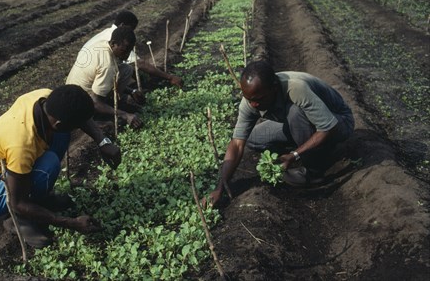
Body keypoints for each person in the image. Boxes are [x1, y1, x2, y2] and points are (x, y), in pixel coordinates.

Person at [0, 84, 121, 247]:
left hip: (14, 168)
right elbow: (17, 201)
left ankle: (40, 199)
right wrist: (71, 223)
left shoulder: (46, 98)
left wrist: (103, 141)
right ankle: (19, 220)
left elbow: (81, 117)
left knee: (60, 138)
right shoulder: (20, 144)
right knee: (48, 165)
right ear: (58, 123)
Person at [206, 60, 354, 206]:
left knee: (294, 113)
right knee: (252, 138)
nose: (254, 105)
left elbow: (328, 127)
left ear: (274, 88)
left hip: (338, 121)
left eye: (258, 99)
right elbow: (238, 144)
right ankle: (307, 142)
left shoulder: (296, 88)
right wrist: (220, 188)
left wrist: (294, 155)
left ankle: (314, 173)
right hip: (305, 123)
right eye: (249, 99)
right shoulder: (251, 100)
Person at [66, 26, 143, 129]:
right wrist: (125, 114)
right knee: (110, 121)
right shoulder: (107, 65)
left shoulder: (102, 45)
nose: (127, 55)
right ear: (113, 43)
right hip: (80, 104)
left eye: (129, 51)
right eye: (124, 51)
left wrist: (131, 91)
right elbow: (95, 102)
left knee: (126, 69)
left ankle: (113, 104)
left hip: (72, 92)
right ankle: (100, 115)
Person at [84, 10, 183, 90]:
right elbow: (140, 63)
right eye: (131, 29)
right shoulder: (117, 38)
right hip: (89, 81)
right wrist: (170, 77)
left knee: (125, 68)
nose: (131, 33)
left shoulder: (106, 32)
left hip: (86, 71)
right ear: (122, 25)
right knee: (127, 69)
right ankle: (115, 99)